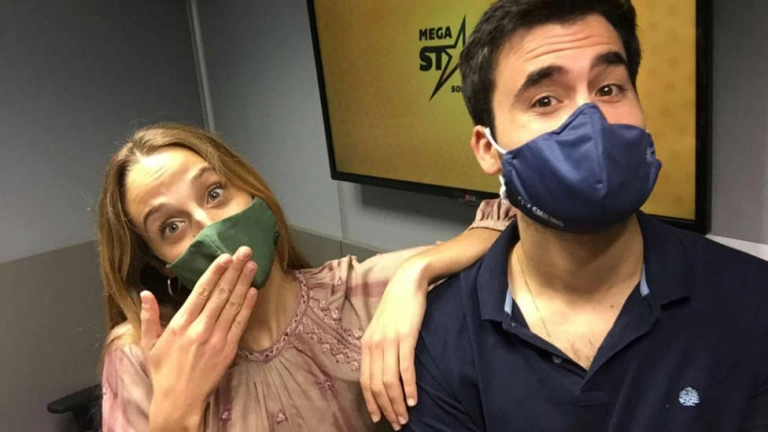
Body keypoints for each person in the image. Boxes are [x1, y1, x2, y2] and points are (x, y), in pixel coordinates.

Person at [404, 0, 768, 431]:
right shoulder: (441, 337)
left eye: (609, 89)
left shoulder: (752, 300)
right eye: (545, 100)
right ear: (489, 150)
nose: (590, 120)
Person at [98, 123, 514, 431]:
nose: (210, 227)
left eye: (215, 193)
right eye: (171, 227)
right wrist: (175, 412)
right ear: (160, 265)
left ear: (251, 192)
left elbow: (511, 221)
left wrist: (416, 273)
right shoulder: (142, 356)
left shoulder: (354, 294)